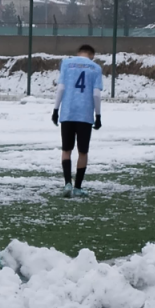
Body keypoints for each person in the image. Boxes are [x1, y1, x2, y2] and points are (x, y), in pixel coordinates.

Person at [51, 44, 103, 198]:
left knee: (66, 150)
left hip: (67, 112)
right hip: (85, 115)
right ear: (92, 55)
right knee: (83, 151)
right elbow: (96, 95)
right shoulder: (95, 68)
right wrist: (98, 115)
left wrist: (55, 110)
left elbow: (60, 88)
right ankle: (78, 187)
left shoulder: (66, 64)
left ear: (78, 52)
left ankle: (67, 183)